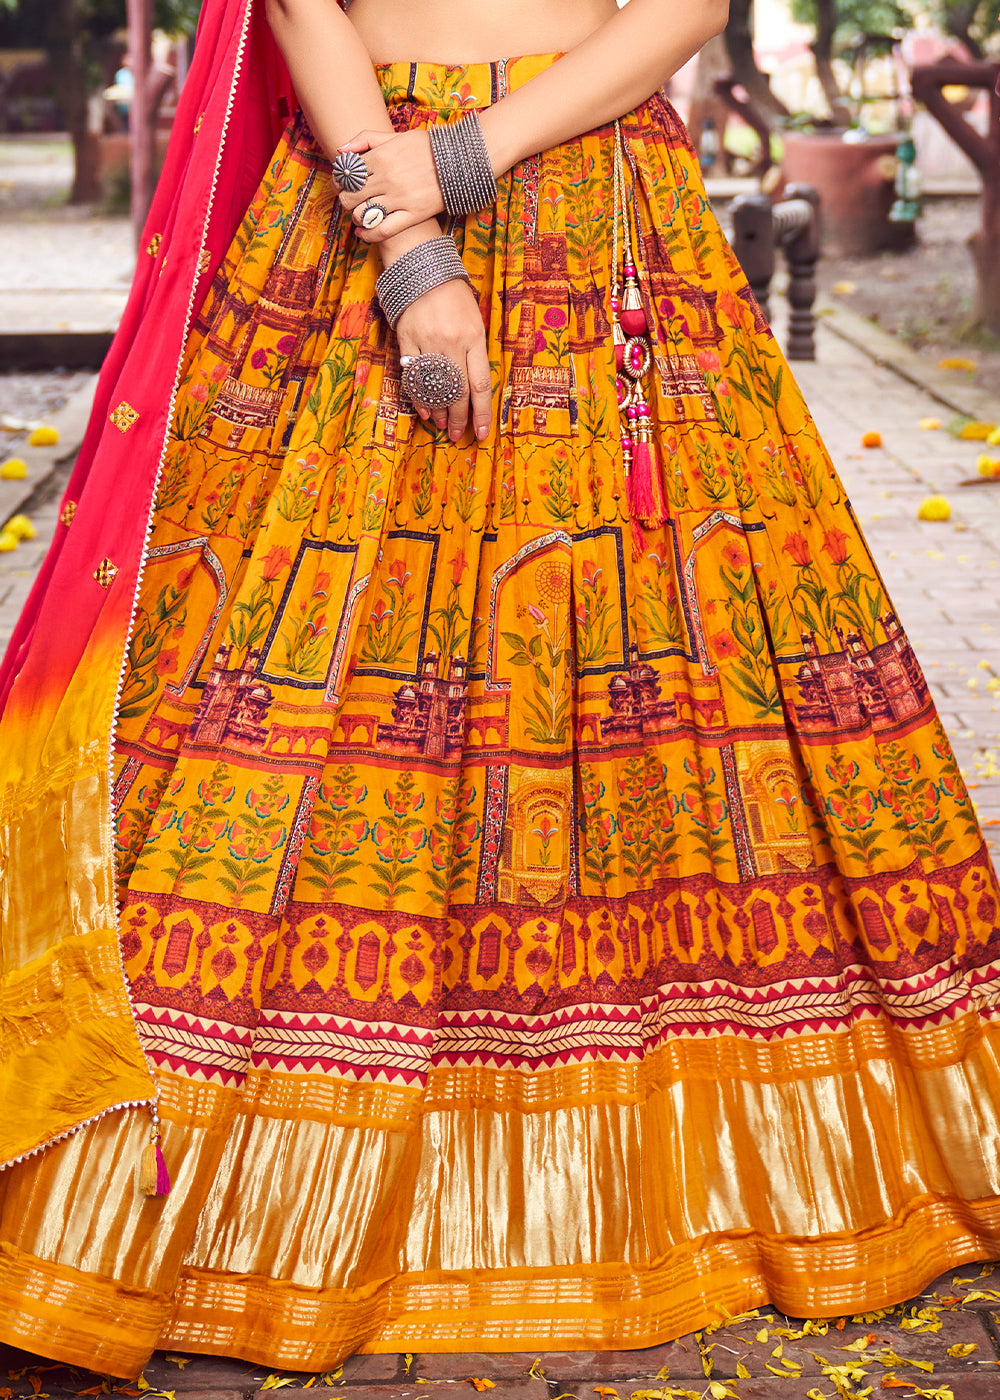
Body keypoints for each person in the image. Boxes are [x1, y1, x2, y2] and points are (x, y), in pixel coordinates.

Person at [2, 0, 1000, 1378]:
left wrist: (463, 161)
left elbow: (688, 7)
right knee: (283, 678)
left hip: (594, 208)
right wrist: (409, 245)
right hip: (359, 198)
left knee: (656, 667)